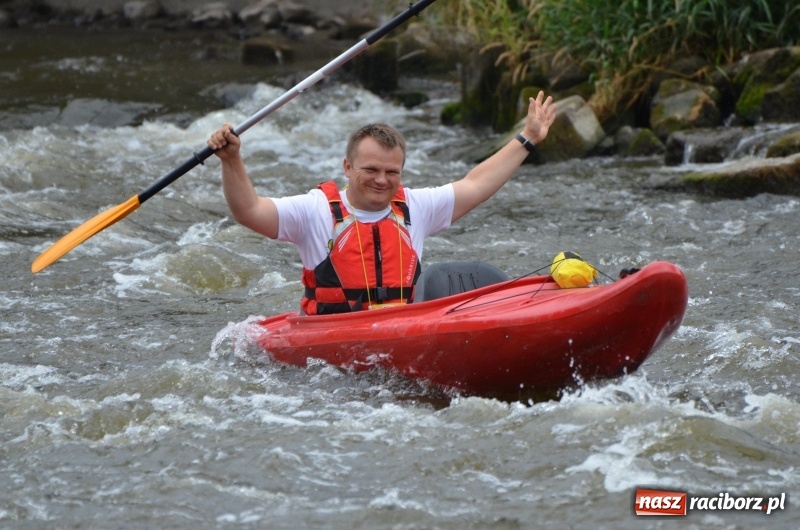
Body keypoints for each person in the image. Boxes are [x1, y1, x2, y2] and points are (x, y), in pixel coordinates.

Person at [207, 91, 557, 315]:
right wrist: (231, 160)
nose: (382, 180)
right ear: (347, 166)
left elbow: (476, 184)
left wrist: (528, 139)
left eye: (392, 171)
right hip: (333, 341)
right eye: (370, 169)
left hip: (403, 332)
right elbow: (249, 211)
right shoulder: (314, 210)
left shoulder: (414, 207)